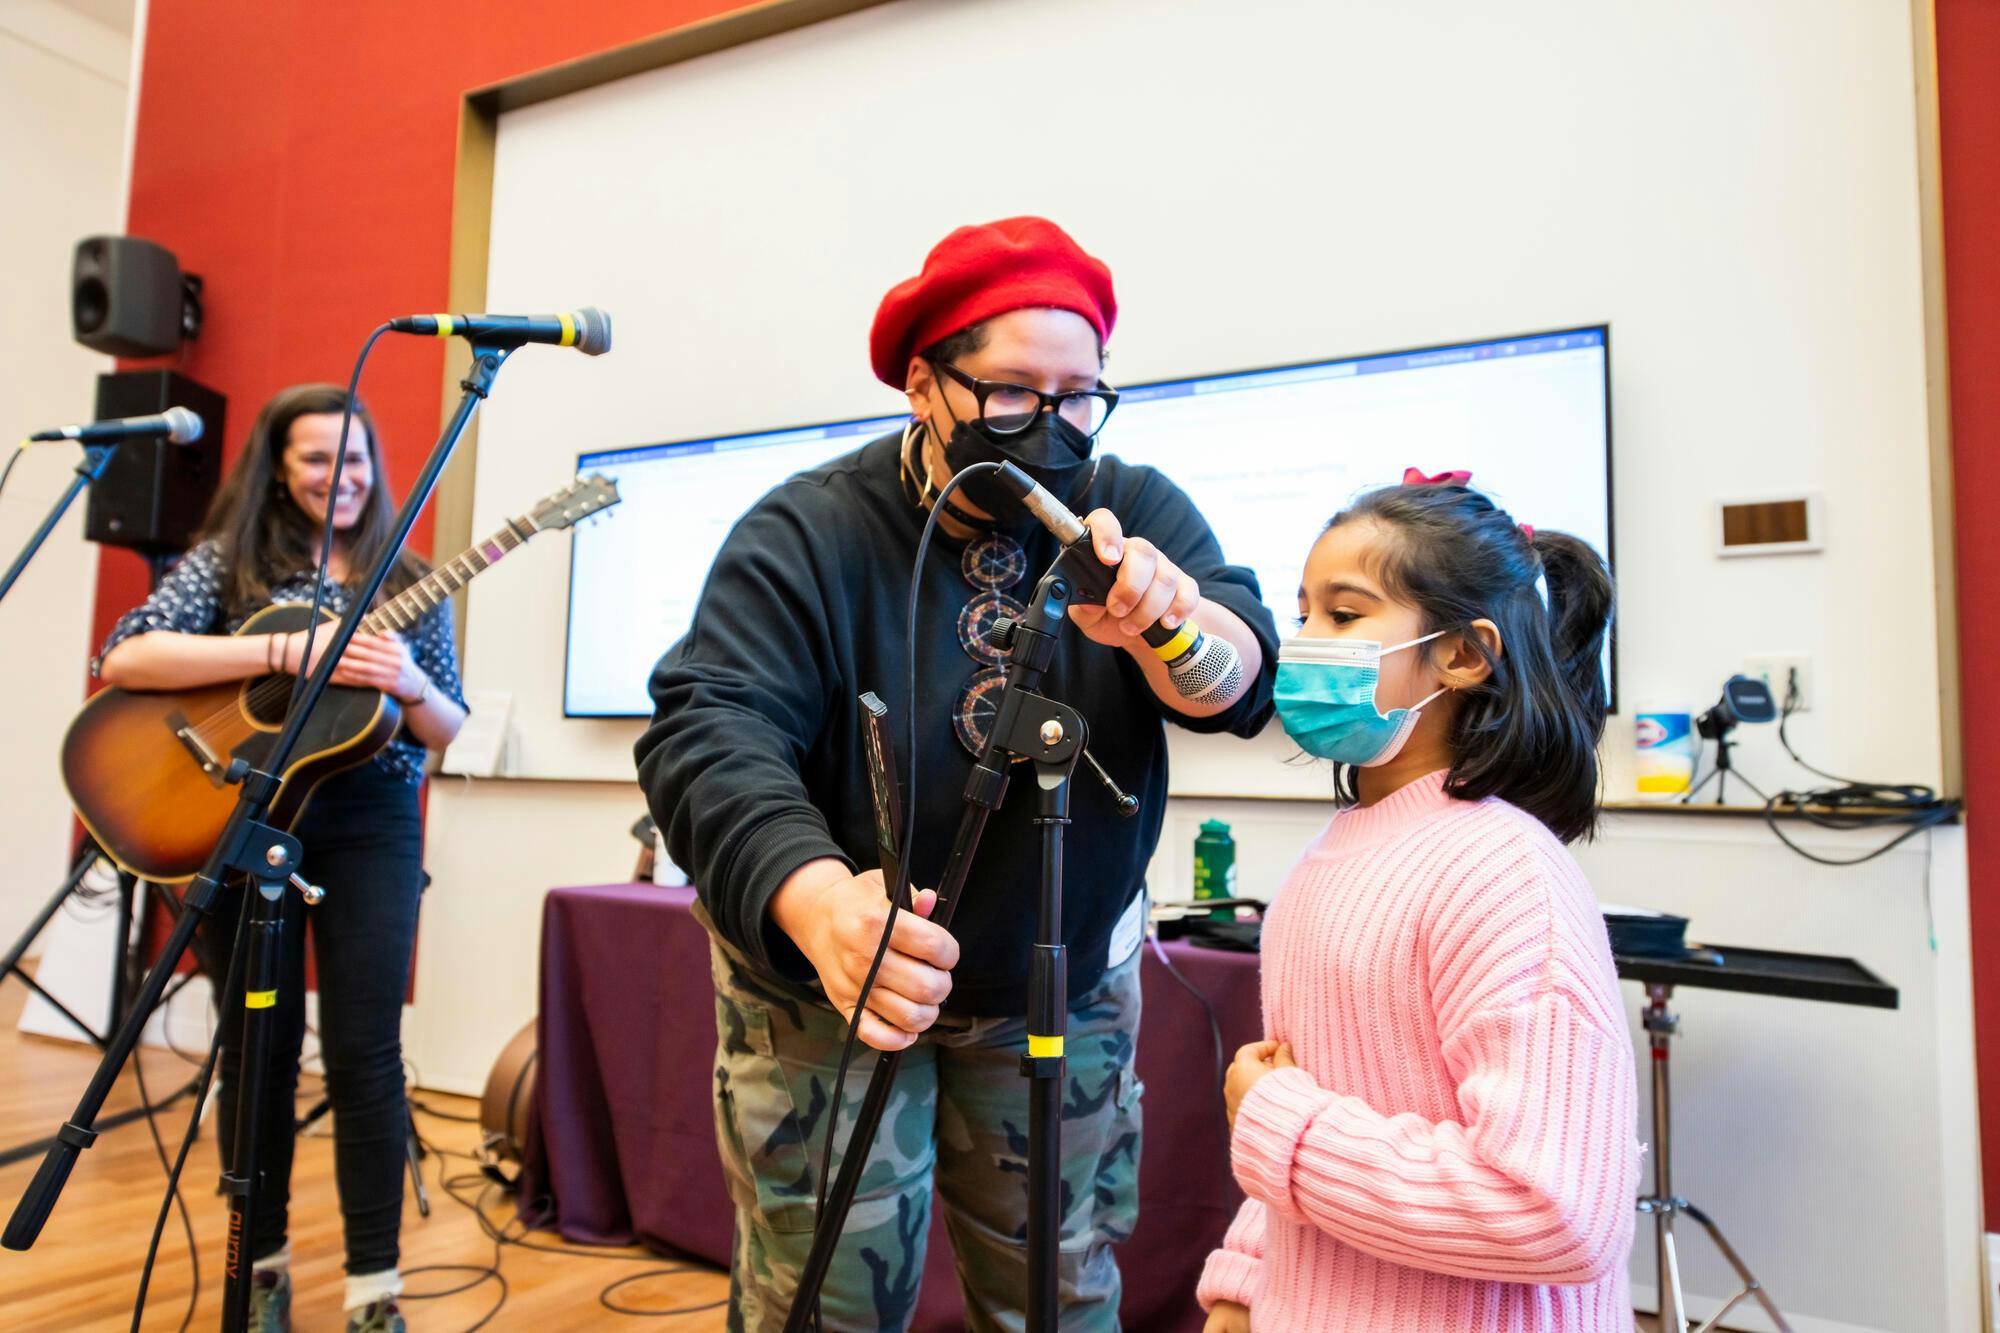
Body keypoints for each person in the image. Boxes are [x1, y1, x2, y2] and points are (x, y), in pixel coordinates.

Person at [638, 216, 1280, 1330]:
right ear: (922, 387)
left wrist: (1171, 632)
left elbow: (1239, 680)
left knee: (1059, 1295)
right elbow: (710, 730)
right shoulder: (807, 531)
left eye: (1080, 395)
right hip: (830, 990)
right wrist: (818, 900)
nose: (1053, 426)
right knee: (827, 1292)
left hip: (1057, 986)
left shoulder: (1133, 505)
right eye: (1011, 395)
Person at [1197, 473, 1638, 1332]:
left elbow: (1554, 1211)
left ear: (1465, 653)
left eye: (1346, 615)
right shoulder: (1333, 854)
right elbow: (1296, 1096)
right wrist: (1243, 1286)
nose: (1305, 643)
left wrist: (1279, 1120)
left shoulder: (1504, 872)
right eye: (1304, 613)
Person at [97, 383, 467, 1333]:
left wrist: (412, 679)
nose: (339, 477)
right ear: (278, 465)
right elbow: (126, 659)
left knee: (365, 1050)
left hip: (373, 816)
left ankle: (373, 1293)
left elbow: (448, 728)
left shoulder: (406, 577)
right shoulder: (228, 564)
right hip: (243, 807)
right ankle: (258, 1271)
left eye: (354, 459)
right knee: (256, 1048)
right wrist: (284, 654)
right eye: (315, 458)